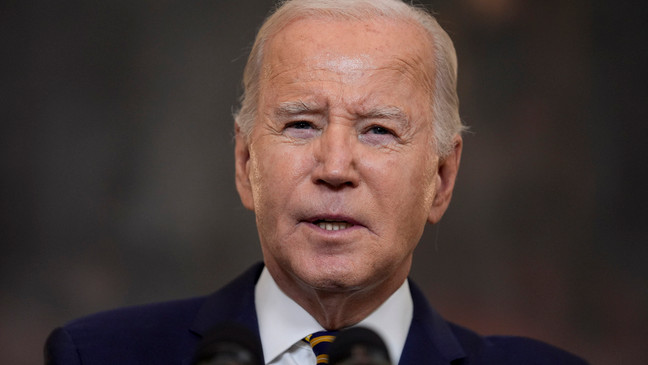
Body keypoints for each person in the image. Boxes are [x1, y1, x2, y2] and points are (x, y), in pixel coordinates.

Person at [44, 0, 588, 364]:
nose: (334, 168)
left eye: (378, 130)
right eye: (301, 124)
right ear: (244, 164)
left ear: (441, 179)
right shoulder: (97, 355)